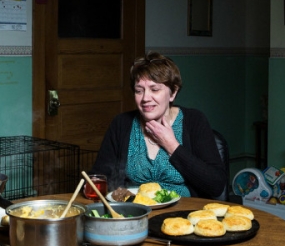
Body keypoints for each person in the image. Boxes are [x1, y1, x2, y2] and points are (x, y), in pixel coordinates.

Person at [90, 52, 227, 199]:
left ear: (173, 92)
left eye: (154, 89)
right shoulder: (122, 123)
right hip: (134, 212)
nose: (145, 98)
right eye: (139, 91)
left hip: (182, 214)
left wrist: (172, 146)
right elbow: (99, 177)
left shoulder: (194, 120)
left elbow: (215, 185)